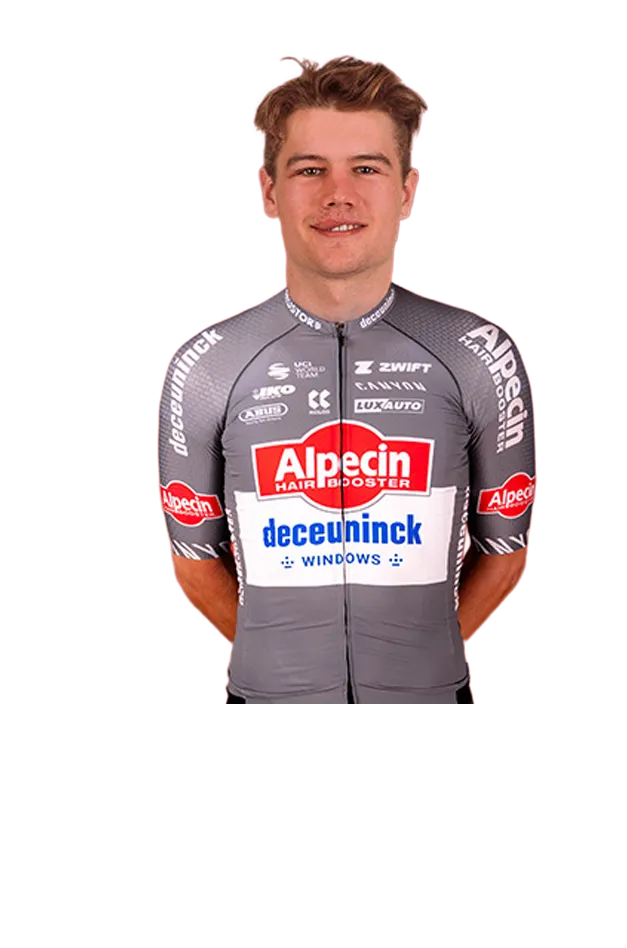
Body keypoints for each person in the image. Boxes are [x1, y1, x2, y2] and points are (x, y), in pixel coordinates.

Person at [157, 52, 536, 704]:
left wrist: (417, 669)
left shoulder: (477, 353)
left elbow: (504, 549)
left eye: (366, 167)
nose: (339, 194)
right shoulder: (206, 364)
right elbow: (193, 560)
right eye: (310, 169)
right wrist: (285, 675)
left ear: (408, 191)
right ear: (268, 192)